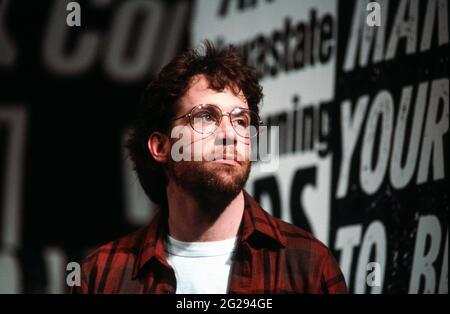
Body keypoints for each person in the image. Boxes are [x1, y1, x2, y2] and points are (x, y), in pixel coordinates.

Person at [71, 41, 347, 294]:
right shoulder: (101, 276)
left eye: (241, 121)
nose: (229, 134)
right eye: (205, 117)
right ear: (160, 147)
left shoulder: (307, 266)